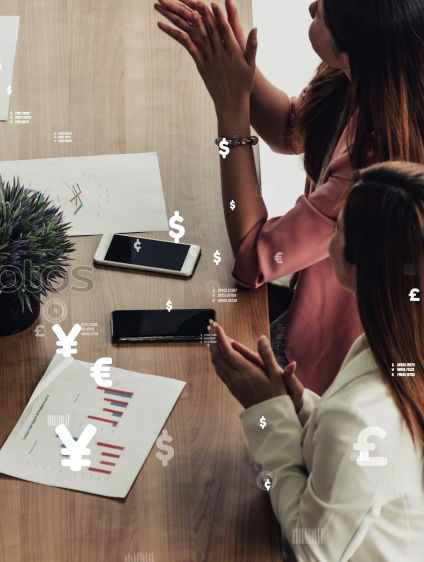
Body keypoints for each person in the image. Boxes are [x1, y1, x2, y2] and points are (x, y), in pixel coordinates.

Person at [155, 0, 424, 393]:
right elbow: (291, 128)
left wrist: (231, 112)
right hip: (305, 299)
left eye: (324, 12)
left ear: (350, 47)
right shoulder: (372, 78)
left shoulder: (374, 164)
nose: (311, 5)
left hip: (327, 358)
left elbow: (253, 259)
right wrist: (236, 71)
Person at [207, 161, 424, 561]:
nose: (330, 235)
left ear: (359, 263)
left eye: (338, 227)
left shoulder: (359, 413)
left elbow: (311, 548)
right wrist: (299, 403)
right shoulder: (401, 346)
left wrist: (265, 413)